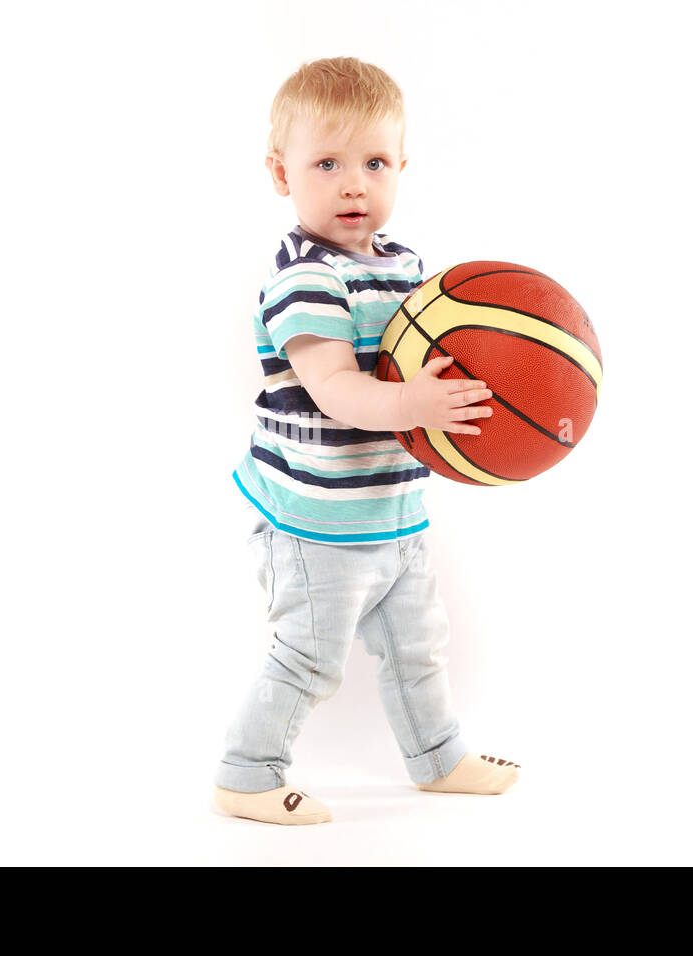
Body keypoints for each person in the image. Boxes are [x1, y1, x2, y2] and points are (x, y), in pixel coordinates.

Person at [212, 57, 520, 826]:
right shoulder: (305, 279)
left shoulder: (412, 270)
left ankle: (438, 757)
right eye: (328, 163)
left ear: (402, 167)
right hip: (315, 523)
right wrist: (417, 400)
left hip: (392, 512)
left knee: (419, 648)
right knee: (311, 658)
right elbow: (336, 389)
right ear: (281, 173)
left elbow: (430, 362)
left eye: (375, 162)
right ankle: (246, 774)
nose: (355, 184)